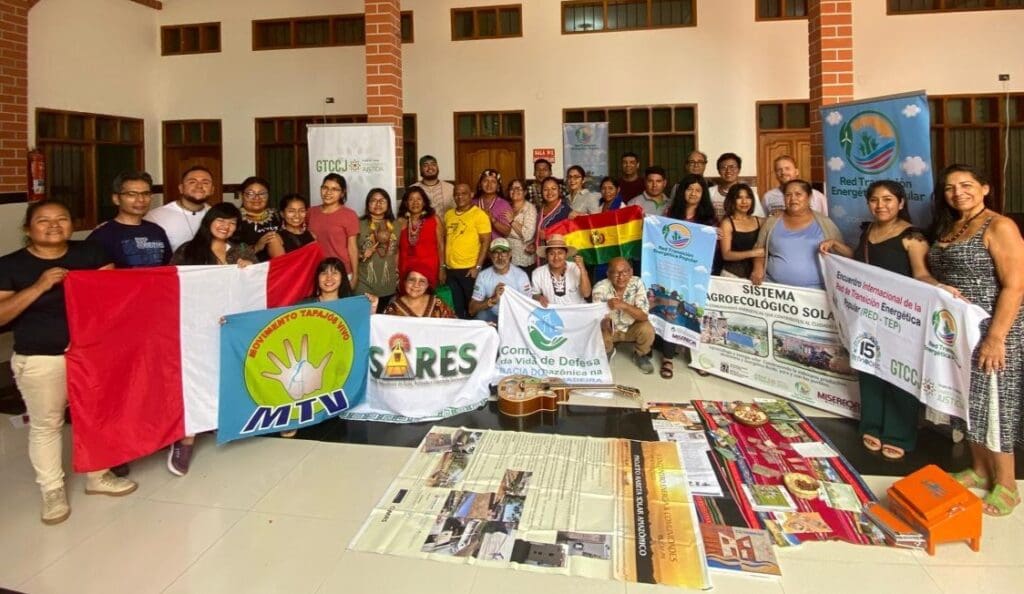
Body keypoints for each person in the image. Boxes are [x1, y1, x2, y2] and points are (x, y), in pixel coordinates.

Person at [0, 200, 138, 525]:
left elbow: (114, 295)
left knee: (95, 416)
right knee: (46, 424)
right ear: (27, 228)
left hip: (90, 354)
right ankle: (52, 491)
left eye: (61, 219)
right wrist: (40, 286)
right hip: (40, 357)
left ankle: (98, 475)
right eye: (44, 221)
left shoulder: (89, 254)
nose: (53, 225)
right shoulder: (10, 266)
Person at [819, 180, 944, 461]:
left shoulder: (913, 237)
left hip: (901, 318)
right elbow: (864, 266)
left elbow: (921, 275)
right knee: (870, 368)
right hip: (868, 314)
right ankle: (872, 424)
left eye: (888, 200)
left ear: (901, 203)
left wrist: (940, 288)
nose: (880, 205)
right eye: (875, 200)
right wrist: (839, 246)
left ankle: (898, 433)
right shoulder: (869, 230)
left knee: (900, 373)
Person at [926, 164, 1024, 516]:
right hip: (958, 331)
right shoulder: (952, 226)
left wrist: (996, 338)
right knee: (968, 401)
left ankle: (1007, 484)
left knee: (995, 403)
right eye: (950, 188)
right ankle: (980, 468)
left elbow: (1016, 285)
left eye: (966, 185)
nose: (958, 193)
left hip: (994, 328)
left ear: (985, 188)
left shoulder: (1000, 226)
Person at [167, 202, 255, 475]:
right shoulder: (188, 250)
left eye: (231, 222)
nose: (225, 226)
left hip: (231, 325)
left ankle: (220, 420)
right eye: (221, 220)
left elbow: (256, 285)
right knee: (193, 377)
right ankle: (185, 439)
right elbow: (172, 285)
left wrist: (250, 268)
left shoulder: (241, 250)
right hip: (195, 327)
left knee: (225, 374)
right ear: (209, 221)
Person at [751, 179, 843, 290]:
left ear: (809, 197)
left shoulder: (824, 222)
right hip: (775, 290)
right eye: (788, 195)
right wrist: (757, 268)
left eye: (798, 194)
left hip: (815, 291)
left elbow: (841, 253)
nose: (793, 198)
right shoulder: (772, 221)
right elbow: (759, 249)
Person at [88, 170, 171, 268]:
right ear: (116, 199)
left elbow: (168, 268)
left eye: (146, 194)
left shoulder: (157, 230)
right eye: (132, 194)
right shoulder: (102, 235)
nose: (141, 199)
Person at [591, 257, 655, 374]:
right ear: (608, 274)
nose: (620, 277)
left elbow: (644, 316)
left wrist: (624, 305)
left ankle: (640, 354)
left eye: (624, 272)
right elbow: (597, 317)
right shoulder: (600, 288)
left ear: (631, 272)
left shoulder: (637, 283)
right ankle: (608, 351)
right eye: (615, 273)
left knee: (647, 329)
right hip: (611, 330)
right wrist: (605, 319)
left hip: (631, 327)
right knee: (599, 333)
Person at [445, 183, 491, 318]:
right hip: (451, 269)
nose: (459, 196)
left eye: (463, 193)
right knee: (457, 308)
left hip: (469, 270)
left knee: (471, 308)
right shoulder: (448, 215)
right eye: (456, 193)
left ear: (471, 194)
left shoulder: (479, 215)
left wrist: (477, 267)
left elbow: (486, 242)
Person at [307, 173, 360, 288]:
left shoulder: (349, 215)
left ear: (342, 193)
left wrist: (355, 275)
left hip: (342, 271)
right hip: (318, 271)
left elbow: (352, 247)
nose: (328, 192)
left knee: (342, 305)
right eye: (325, 188)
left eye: (334, 189)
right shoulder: (311, 212)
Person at [144, 165, 214, 250]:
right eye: (192, 182)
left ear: (212, 190)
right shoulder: (155, 217)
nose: (199, 186)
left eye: (205, 183)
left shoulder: (218, 216)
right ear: (181, 188)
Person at [356, 188, 399, 313]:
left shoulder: (397, 225)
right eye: (373, 200)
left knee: (383, 325)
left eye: (382, 201)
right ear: (367, 204)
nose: (378, 204)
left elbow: (398, 251)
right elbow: (348, 251)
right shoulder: (358, 223)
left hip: (388, 285)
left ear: (388, 204)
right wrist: (362, 254)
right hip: (364, 285)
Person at [468, 238, 532, 323]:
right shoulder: (483, 276)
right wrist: (492, 300)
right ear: (490, 255)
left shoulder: (521, 276)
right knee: (481, 315)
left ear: (510, 254)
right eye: (496, 253)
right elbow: (471, 310)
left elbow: (528, 306)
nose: (500, 256)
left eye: (504, 252)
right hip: (493, 315)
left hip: (514, 316)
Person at [397, 186, 445, 289]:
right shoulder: (400, 222)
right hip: (406, 268)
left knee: (427, 299)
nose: (415, 202)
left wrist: (442, 268)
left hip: (429, 267)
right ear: (406, 203)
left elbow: (441, 245)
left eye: (419, 199)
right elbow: (396, 249)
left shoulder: (434, 219)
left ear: (424, 202)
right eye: (411, 199)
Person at [233, 176, 284, 262]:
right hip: (250, 268)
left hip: (278, 265)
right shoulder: (233, 218)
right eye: (250, 194)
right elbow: (228, 252)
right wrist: (256, 247)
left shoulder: (277, 215)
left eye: (262, 193)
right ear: (242, 195)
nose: (257, 198)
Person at [719, 183, 765, 279]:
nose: (744, 201)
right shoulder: (727, 223)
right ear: (732, 200)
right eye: (739, 198)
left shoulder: (759, 221)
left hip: (755, 277)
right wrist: (754, 253)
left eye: (748, 197)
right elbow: (726, 254)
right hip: (731, 275)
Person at [531, 234, 591, 306]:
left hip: (577, 310)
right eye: (551, 254)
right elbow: (534, 294)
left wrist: (582, 269)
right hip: (554, 313)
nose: (556, 258)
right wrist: (539, 297)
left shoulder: (576, 268)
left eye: (560, 253)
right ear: (546, 256)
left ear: (566, 255)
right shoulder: (538, 273)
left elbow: (586, 294)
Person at [761, 155, 828, 216]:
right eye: (779, 170)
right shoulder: (768, 197)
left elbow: (826, 220)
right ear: (776, 174)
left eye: (787, 168)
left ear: (796, 172)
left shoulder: (816, 196)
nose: (783, 172)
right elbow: (764, 221)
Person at [384, 266, 457, 318]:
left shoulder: (437, 303)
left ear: (427, 285)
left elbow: (453, 326)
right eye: (412, 280)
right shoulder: (393, 309)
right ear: (405, 282)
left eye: (422, 281)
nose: (416, 285)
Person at [712, 153, 764, 219]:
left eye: (732, 167)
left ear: (739, 169)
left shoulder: (750, 193)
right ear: (718, 171)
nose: (728, 171)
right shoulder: (710, 192)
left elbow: (758, 218)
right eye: (723, 168)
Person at [534, 177, 573, 262]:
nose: (549, 192)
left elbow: (571, 234)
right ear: (541, 192)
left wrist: (548, 235)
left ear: (559, 191)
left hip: (559, 257)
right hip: (543, 256)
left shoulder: (566, 210)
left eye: (553, 189)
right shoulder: (541, 209)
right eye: (546, 189)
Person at [504, 178, 537, 274]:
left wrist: (512, 221)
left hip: (523, 257)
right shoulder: (506, 206)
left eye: (518, 188)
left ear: (525, 192)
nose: (515, 191)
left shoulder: (530, 209)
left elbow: (528, 234)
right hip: (506, 256)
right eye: (512, 188)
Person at [473, 168, 512, 240]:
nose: (489, 184)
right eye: (485, 181)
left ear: (498, 186)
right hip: (475, 245)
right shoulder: (472, 203)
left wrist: (492, 219)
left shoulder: (504, 204)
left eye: (493, 182)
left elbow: (507, 232)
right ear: (480, 185)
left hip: (495, 247)